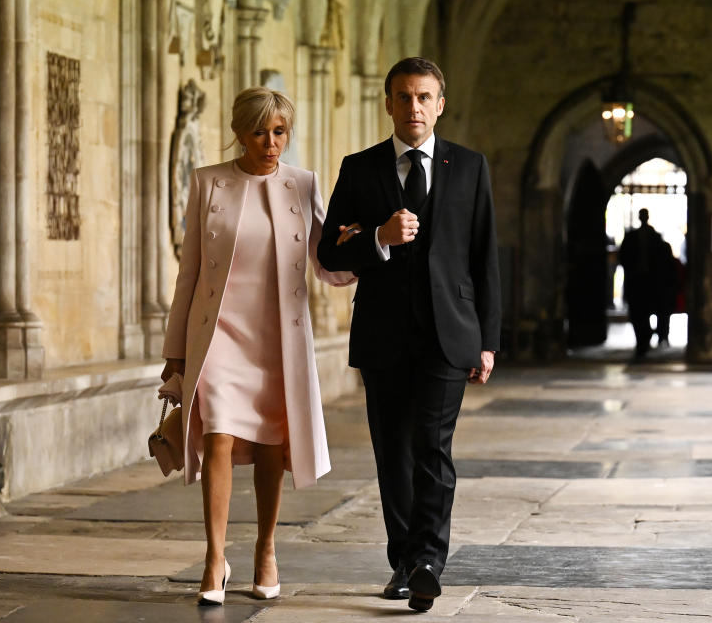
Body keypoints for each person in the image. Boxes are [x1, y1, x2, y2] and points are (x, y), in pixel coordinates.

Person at [317, 57, 501, 613]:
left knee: (432, 446)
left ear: (440, 104)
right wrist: (378, 235)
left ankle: (427, 559)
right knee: (391, 451)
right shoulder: (359, 167)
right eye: (404, 97)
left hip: (450, 334)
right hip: (383, 333)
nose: (414, 106)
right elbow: (329, 250)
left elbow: (483, 256)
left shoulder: (469, 166)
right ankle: (404, 561)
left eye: (425, 97)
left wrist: (488, 340)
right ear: (389, 103)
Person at [160, 87, 355, 606]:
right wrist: (174, 352)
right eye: (260, 132)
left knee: (272, 444)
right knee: (218, 435)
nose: (271, 143)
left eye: (279, 132)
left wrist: (368, 244)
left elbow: (326, 263)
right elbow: (189, 274)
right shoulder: (208, 183)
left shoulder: (302, 184)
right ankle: (214, 557)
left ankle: (266, 550)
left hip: (277, 336)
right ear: (239, 132)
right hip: (219, 332)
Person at [618, 208, 670, 359]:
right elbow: (624, 258)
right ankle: (642, 339)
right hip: (636, 281)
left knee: (649, 310)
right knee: (637, 313)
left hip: (651, 282)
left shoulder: (656, 239)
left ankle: (651, 336)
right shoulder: (631, 238)